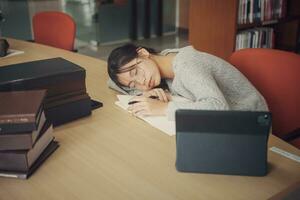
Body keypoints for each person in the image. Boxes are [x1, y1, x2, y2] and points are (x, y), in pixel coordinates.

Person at [107, 44, 268, 120]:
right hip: (224, 122)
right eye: (133, 84)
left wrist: (164, 108)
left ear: (143, 52)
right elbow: (111, 82)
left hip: (250, 121)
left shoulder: (186, 65)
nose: (141, 82)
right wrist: (144, 92)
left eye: (135, 72)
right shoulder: (163, 61)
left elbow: (218, 107)